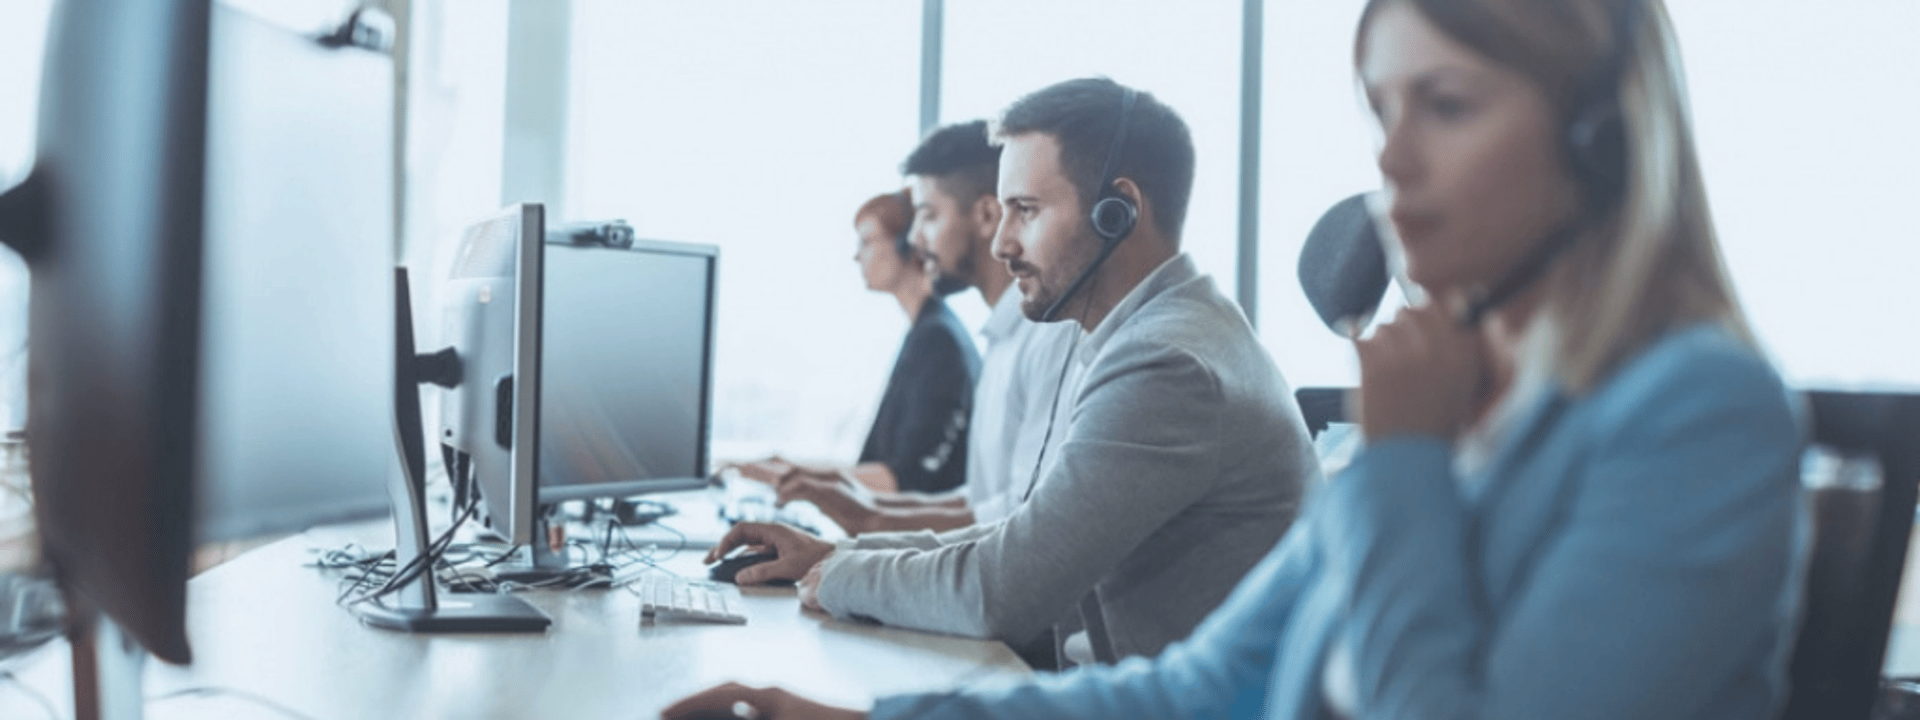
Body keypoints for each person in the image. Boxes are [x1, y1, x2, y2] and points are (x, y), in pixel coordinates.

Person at [663, 1, 1807, 718]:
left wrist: (1405, 463)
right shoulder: (1460, 406)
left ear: (1602, 144)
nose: (1391, 161)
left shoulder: (1697, 414)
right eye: (1382, 112)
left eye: (1447, 107)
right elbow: (1209, 686)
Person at [701, 78, 1318, 671]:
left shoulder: (1166, 363)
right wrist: (839, 553)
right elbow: (1023, 540)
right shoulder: (1163, 334)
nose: (1000, 244)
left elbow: (1002, 590)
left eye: (1025, 210)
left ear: (1119, 212)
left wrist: (837, 574)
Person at [773, 120, 1078, 535]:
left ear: (987, 215)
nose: (915, 239)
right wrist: (861, 512)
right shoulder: (998, 339)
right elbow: (982, 502)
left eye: (928, 216)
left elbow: (1020, 521)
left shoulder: (1045, 338)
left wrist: (860, 533)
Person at [735, 190, 980, 495]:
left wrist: (793, 476)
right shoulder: (925, 331)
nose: (856, 256)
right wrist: (791, 469)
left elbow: (905, 479)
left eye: (866, 242)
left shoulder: (938, 341)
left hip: (916, 519)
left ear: (908, 245)